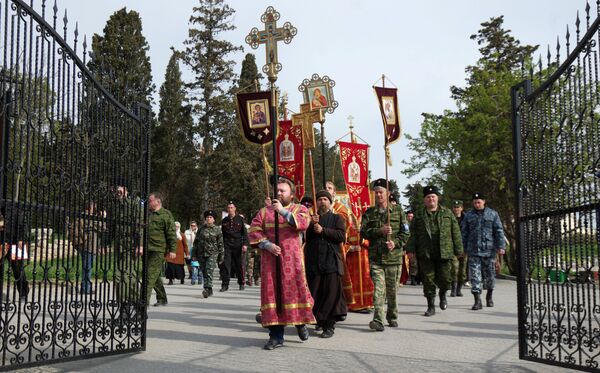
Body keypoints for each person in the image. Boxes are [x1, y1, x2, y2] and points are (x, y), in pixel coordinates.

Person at [248, 176, 315, 350]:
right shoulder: (264, 212)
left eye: (282, 191)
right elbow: (254, 230)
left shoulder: (299, 209)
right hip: (271, 262)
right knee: (273, 297)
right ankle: (276, 336)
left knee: (295, 295)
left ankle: (300, 323)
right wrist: (266, 244)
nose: (278, 193)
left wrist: (283, 212)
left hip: (292, 263)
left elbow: (303, 223)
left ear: (291, 194)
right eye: (276, 190)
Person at [360, 178, 410, 331]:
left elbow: (406, 233)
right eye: (376, 193)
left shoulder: (398, 212)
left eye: (381, 192)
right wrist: (378, 231)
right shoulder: (369, 213)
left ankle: (392, 315)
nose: (378, 195)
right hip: (376, 259)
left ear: (388, 193)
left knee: (392, 292)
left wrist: (395, 242)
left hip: (393, 259)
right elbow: (363, 232)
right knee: (379, 290)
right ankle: (378, 320)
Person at [406, 186, 463, 317]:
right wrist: (410, 249)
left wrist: (459, 249)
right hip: (426, 253)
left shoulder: (447, 213)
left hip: (445, 251)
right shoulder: (419, 215)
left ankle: (443, 294)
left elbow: (456, 232)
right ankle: (430, 305)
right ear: (425, 200)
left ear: (437, 198)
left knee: (445, 278)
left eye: (433, 196)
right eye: (428, 197)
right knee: (428, 280)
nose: (431, 199)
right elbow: (413, 233)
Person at [304, 190, 347, 338]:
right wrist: (310, 225)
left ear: (330, 202)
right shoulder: (311, 218)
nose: (322, 202)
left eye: (325, 199)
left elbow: (341, 236)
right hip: (314, 262)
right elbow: (305, 238)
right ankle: (319, 321)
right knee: (315, 292)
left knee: (330, 294)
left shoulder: (337, 218)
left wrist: (323, 230)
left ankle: (329, 325)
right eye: (320, 199)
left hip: (331, 262)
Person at [461, 193, 506, 310]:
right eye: (475, 202)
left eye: (479, 202)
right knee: (475, 276)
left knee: (490, 275)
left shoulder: (492, 214)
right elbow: (464, 233)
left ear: (484, 201)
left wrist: (501, 246)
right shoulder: (468, 216)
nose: (477, 204)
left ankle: (489, 296)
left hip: (489, 250)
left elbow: (499, 230)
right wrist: (462, 248)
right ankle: (477, 300)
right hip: (473, 250)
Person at [108, 178, 144, 320]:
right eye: (115, 190)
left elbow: (140, 224)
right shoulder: (113, 205)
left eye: (120, 189)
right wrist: (105, 243)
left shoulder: (135, 203)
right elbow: (111, 227)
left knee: (126, 276)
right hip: (119, 245)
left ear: (125, 190)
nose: (117, 192)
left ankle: (129, 307)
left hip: (131, 245)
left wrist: (140, 244)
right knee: (122, 276)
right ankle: (130, 306)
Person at [325, 181, 356, 307]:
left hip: (337, 247)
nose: (327, 190)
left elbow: (347, 230)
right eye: (325, 188)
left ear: (334, 193)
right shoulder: (315, 208)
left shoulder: (342, 210)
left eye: (330, 188)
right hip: (320, 248)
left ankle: (339, 304)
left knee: (337, 276)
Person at [147, 192, 177, 307]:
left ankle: (143, 303)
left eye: (150, 201)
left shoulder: (166, 214)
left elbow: (171, 233)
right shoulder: (149, 214)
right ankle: (162, 298)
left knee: (149, 276)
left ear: (157, 201)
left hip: (158, 250)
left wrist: (173, 250)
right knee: (154, 276)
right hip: (147, 249)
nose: (149, 203)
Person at [70, 201, 107, 295]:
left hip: (87, 245)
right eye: (93, 206)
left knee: (87, 267)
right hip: (88, 246)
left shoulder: (85, 217)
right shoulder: (87, 217)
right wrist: (102, 218)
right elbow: (102, 228)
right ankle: (85, 289)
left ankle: (85, 287)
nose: (94, 208)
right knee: (88, 268)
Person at [0, 201, 29, 302]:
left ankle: (23, 293)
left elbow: (22, 226)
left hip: (14, 243)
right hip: (1, 243)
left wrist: (21, 239)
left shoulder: (15, 210)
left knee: (17, 269)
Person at [194, 210, 224, 298]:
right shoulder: (201, 229)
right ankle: (209, 289)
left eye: (210, 217)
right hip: (201, 254)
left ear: (214, 219)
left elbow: (221, 244)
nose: (208, 219)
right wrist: (194, 255)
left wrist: (221, 257)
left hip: (212, 254)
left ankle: (207, 288)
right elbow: (196, 242)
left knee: (209, 271)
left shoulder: (217, 230)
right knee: (204, 272)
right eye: (207, 217)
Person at [220, 201, 249, 291]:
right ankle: (225, 285)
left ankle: (241, 283)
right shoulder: (224, 221)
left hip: (238, 244)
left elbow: (244, 233)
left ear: (235, 209)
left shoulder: (239, 219)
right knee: (226, 265)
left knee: (239, 265)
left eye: (232, 207)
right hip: (227, 244)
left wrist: (245, 244)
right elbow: (222, 235)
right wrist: (221, 246)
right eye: (228, 208)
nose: (230, 209)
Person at [450, 200, 467, 297]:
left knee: (462, 269)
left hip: (464, 248)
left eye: (458, 207)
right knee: (454, 268)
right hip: (452, 247)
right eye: (455, 207)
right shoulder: (450, 218)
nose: (456, 209)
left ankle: (459, 289)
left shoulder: (467, 218)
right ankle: (453, 288)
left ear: (461, 208)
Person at [405, 209, 421, 286]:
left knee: (418, 262)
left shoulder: (416, 224)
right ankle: (413, 278)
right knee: (413, 262)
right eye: (409, 216)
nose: (410, 218)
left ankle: (418, 278)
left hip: (417, 245)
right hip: (408, 245)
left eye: (412, 216)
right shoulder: (405, 224)